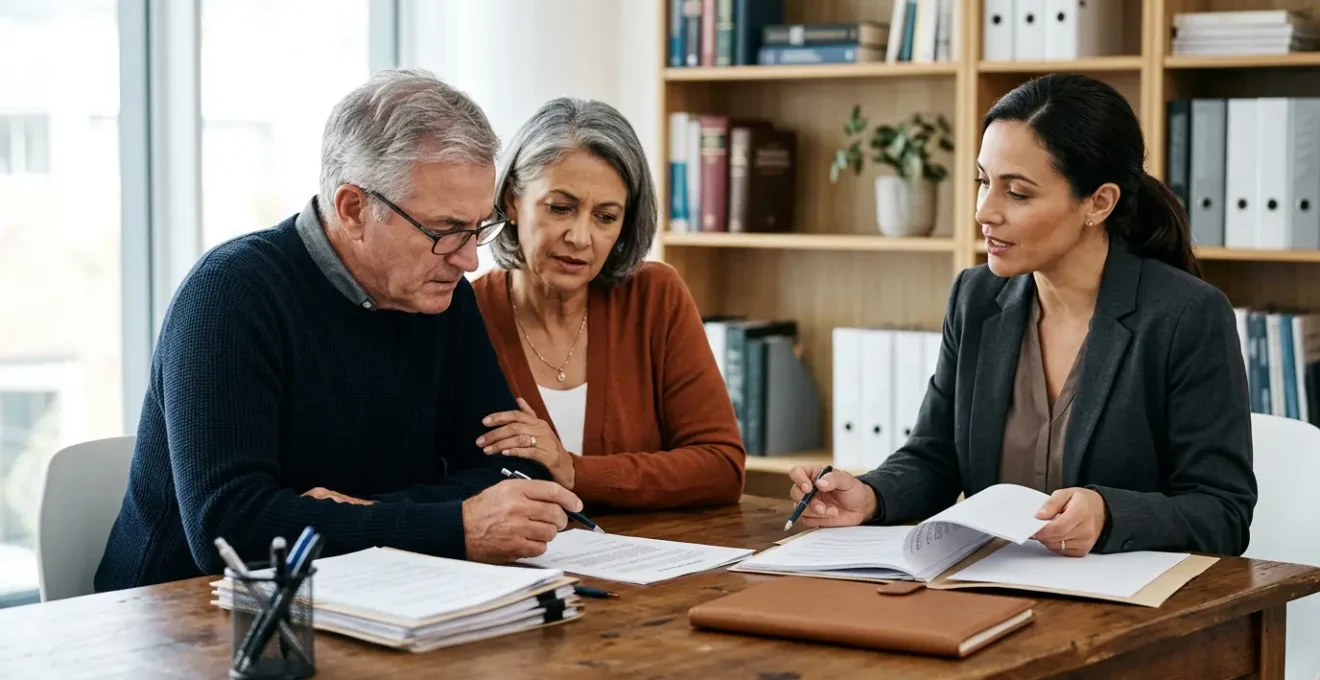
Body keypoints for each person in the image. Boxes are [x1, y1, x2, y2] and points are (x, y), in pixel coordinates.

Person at [95, 69, 583, 592]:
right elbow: (231, 529)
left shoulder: (441, 294)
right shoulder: (230, 294)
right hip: (185, 619)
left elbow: (517, 473)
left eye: (478, 227)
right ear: (354, 209)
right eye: (444, 231)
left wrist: (370, 514)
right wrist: (453, 524)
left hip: (374, 595)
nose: (468, 259)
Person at [787, 73, 1256, 557]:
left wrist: (1108, 514)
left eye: (1017, 193)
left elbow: (1223, 512)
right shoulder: (976, 297)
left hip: (1127, 611)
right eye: (983, 182)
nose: (984, 212)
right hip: (994, 590)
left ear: (1099, 202)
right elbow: (935, 457)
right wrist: (870, 495)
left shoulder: (1187, 315)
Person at [470, 97, 746, 510]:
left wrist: (575, 472)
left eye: (606, 217)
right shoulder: (464, 314)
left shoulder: (656, 297)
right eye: (560, 208)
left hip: (652, 566)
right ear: (512, 199)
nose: (581, 238)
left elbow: (722, 467)